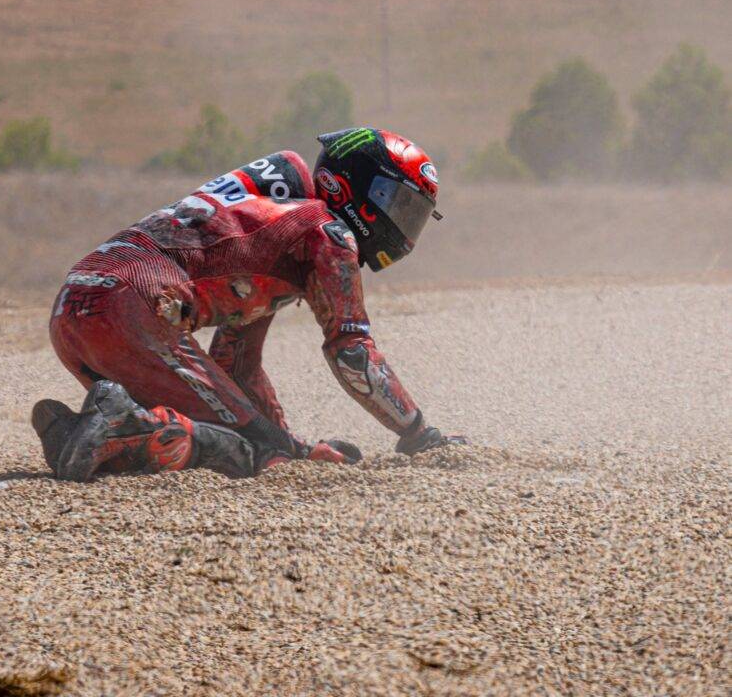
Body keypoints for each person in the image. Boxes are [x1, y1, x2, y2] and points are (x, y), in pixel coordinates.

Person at [32, 127, 464, 482]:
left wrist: (291, 444)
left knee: (249, 440)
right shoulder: (327, 233)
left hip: (75, 307)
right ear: (348, 184)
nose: (403, 225)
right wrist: (419, 433)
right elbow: (352, 353)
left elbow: (236, 364)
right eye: (396, 202)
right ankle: (126, 423)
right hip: (132, 308)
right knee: (252, 455)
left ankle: (88, 435)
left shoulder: (271, 228)